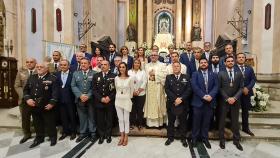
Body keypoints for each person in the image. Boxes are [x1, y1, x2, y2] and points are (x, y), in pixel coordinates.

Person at [23, 62, 58, 148]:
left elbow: (55, 93)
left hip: (47, 105)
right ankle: (39, 138)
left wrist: (52, 103)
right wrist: (28, 99)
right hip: (34, 105)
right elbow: (26, 90)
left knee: (50, 122)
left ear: (47, 69)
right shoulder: (32, 77)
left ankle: (53, 137)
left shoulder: (53, 78)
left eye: (41, 67)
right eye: (37, 67)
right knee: (37, 123)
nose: (38, 68)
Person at [191, 58, 218, 149]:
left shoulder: (214, 74)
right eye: (201, 63)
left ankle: (205, 138)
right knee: (196, 122)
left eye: (205, 62)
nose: (203, 64)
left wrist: (211, 95)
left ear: (208, 64)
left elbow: (216, 86)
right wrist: (203, 96)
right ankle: (194, 138)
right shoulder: (195, 74)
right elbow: (194, 86)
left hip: (210, 102)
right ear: (199, 64)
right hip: (198, 102)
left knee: (206, 122)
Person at [218, 56, 244, 151]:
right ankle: (222, 139)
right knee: (222, 121)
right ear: (225, 63)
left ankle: (236, 140)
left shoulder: (239, 73)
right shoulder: (221, 73)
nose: (230, 62)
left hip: (235, 102)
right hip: (224, 101)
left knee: (235, 121)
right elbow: (219, 87)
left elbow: (241, 88)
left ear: (234, 62)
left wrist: (235, 98)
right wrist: (227, 98)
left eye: (232, 61)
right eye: (228, 61)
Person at [164, 61, 191, 147]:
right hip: (172, 103)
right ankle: (170, 137)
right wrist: (175, 99)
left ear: (180, 68)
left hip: (183, 103)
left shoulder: (186, 77)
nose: (176, 68)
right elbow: (167, 89)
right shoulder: (168, 77)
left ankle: (183, 138)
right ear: (172, 68)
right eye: (174, 66)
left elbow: (189, 89)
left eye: (177, 66)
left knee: (183, 122)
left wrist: (181, 98)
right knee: (171, 122)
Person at [71, 57, 97, 142]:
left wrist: (88, 95)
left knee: (92, 116)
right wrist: (80, 95)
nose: (83, 64)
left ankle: (93, 133)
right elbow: (73, 85)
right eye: (81, 63)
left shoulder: (95, 73)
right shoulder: (76, 73)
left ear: (89, 64)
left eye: (85, 63)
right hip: (80, 99)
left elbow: (95, 87)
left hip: (91, 99)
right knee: (82, 117)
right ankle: (82, 133)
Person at [92, 60, 116, 144]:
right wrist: (101, 98)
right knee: (100, 120)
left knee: (109, 119)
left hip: (110, 101)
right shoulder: (96, 76)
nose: (103, 66)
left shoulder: (114, 76)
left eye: (105, 64)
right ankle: (101, 135)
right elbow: (94, 90)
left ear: (109, 66)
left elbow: (115, 90)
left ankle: (108, 135)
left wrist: (109, 97)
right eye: (101, 64)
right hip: (99, 102)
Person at [15, 58, 37, 144]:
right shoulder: (21, 71)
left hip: (36, 100)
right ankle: (27, 134)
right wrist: (26, 97)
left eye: (31, 62)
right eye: (27, 62)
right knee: (25, 118)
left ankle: (39, 133)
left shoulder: (39, 70)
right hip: (24, 100)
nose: (29, 64)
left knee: (37, 118)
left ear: (35, 63)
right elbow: (17, 85)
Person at [144, 51, 167, 127]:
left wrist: (155, 74)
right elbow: (144, 76)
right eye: (152, 55)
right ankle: (149, 124)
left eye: (155, 55)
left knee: (158, 104)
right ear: (150, 57)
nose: (153, 56)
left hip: (158, 87)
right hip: (149, 87)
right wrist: (149, 76)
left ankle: (158, 124)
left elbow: (164, 76)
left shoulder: (162, 65)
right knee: (150, 104)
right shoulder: (146, 66)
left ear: (158, 56)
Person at [235, 52, 256, 136]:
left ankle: (245, 128)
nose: (241, 58)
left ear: (245, 59)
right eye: (239, 57)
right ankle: (235, 129)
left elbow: (253, 79)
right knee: (234, 112)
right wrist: (241, 88)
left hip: (246, 93)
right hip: (236, 93)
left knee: (245, 111)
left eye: (242, 57)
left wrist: (248, 88)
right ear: (236, 59)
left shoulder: (249, 68)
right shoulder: (233, 67)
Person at [55, 59, 77, 141]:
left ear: (68, 66)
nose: (63, 66)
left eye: (65, 65)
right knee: (63, 117)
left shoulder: (73, 74)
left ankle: (73, 132)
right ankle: (65, 132)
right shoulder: (56, 74)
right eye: (61, 65)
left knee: (72, 116)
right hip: (60, 99)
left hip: (71, 99)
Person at [114, 62, 134, 146]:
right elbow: (116, 89)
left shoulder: (130, 78)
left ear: (126, 68)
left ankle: (126, 137)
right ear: (118, 69)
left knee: (126, 119)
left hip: (126, 100)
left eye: (123, 67)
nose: (122, 69)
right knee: (120, 119)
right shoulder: (116, 78)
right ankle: (121, 136)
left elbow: (132, 91)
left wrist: (128, 98)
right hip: (118, 100)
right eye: (120, 67)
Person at [128, 59, 147, 130]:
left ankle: (140, 124)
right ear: (133, 64)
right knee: (132, 109)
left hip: (141, 93)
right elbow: (127, 82)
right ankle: (132, 123)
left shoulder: (143, 72)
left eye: (138, 63)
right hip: (131, 93)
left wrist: (138, 91)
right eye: (135, 63)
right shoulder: (129, 72)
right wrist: (132, 91)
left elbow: (145, 82)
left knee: (139, 109)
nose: (136, 64)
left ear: (140, 64)